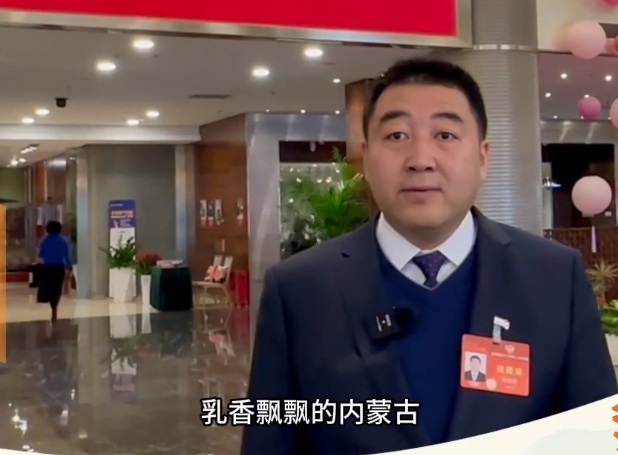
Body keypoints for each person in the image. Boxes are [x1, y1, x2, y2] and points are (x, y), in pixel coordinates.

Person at [242, 58, 617, 455]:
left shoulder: (553, 277)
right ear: (366, 157)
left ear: (483, 157)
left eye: (445, 135)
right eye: (397, 135)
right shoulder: (299, 289)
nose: (420, 159)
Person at [37, 220, 72, 321]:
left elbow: (41, 255)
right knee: (57, 288)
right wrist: (69, 266)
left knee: (49, 287)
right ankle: (54, 306)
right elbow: (66, 256)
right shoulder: (63, 241)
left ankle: (52, 304)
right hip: (59, 267)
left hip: (47, 267)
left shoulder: (43, 241)